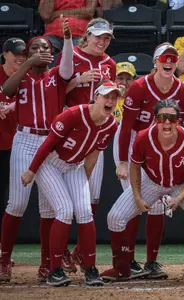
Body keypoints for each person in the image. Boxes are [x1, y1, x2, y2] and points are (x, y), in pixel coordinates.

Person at [20, 80, 119, 286]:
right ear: (96, 97)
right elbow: (48, 144)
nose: (110, 100)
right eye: (106, 96)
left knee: (84, 211)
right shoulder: (73, 114)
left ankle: (90, 268)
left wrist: (84, 181)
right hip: (50, 163)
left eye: (114, 97)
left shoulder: (111, 125)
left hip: (75, 166)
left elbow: (93, 155)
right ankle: (54, 270)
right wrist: (31, 171)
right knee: (64, 210)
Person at [0, 17, 73, 283]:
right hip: (25, 140)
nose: (42, 51)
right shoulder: (21, 76)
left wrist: (65, 40)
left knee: (48, 208)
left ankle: (45, 265)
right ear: (27, 54)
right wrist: (28, 64)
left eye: (46, 48)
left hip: (50, 142)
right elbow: (7, 90)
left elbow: (67, 67)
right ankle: (4, 259)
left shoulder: (56, 75)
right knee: (17, 203)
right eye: (35, 48)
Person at [105, 99, 184, 285]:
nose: (167, 123)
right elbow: (135, 167)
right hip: (152, 182)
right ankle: (121, 268)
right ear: (155, 120)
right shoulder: (143, 138)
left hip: (180, 183)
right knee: (114, 216)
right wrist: (137, 196)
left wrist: (180, 197)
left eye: (171, 118)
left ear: (178, 120)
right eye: (162, 118)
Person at [114, 42, 184, 280]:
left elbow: (182, 126)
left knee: (157, 205)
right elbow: (126, 127)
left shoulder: (183, 90)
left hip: (164, 145)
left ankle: (151, 261)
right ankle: (128, 259)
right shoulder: (139, 86)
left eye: (173, 58)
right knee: (133, 204)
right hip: (135, 141)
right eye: (164, 58)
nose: (169, 62)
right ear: (155, 62)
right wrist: (123, 162)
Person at [56, 17, 117, 272]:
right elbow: (55, 90)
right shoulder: (72, 55)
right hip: (71, 130)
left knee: (91, 194)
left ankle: (80, 251)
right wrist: (78, 81)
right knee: (59, 202)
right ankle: (56, 255)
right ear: (87, 36)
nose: (102, 42)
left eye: (106, 38)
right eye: (98, 37)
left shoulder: (109, 64)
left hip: (97, 132)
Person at [0, 38, 26, 234]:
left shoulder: (26, 77)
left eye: (23, 53)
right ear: (5, 53)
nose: (20, 57)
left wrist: (15, 105)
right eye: (15, 52)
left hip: (17, 144)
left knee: (8, 196)